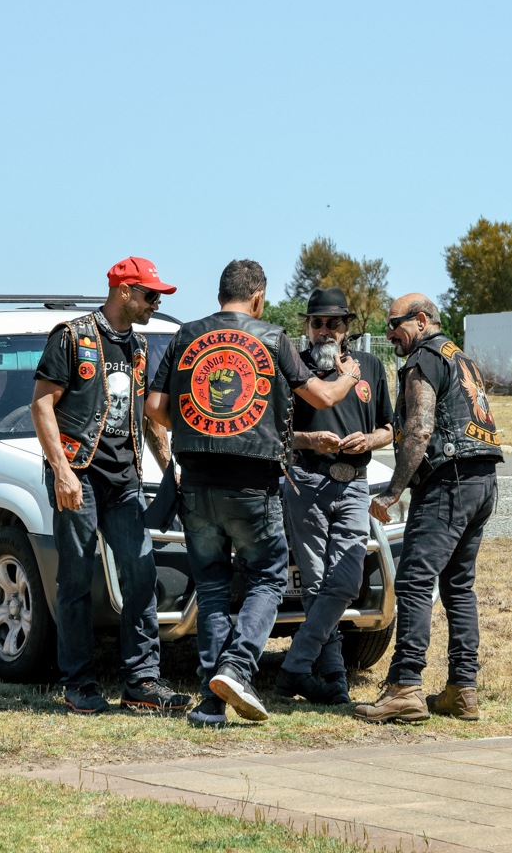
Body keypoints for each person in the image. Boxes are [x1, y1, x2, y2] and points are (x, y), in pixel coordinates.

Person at [147, 259, 362, 728]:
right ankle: (237, 666)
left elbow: (156, 407)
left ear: (220, 293)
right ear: (258, 297)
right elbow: (323, 397)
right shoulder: (273, 338)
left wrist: (204, 422)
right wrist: (350, 374)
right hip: (251, 484)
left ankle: (211, 703)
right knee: (267, 577)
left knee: (211, 589)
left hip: (196, 481)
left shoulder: (185, 335)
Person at [31, 256, 192, 717]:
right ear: (124, 291)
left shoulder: (138, 346)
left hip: (125, 480)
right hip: (79, 475)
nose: (155, 303)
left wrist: (169, 465)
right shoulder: (72, 337)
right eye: (150, 295)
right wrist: (62, 471)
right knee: (76, 578)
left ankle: (142, 681)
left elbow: (145, 414)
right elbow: (42, 405)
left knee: (141, 576)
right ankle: (78, 683)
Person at [355, 295, 503, 724]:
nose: (389, 334)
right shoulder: (461, 357)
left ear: (421, 320)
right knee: (458, 586)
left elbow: (420, 428)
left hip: (448, 482)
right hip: (483, 481)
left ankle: (404, 687)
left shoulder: (424, 357)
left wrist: (392, 492)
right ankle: (462, 690)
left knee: (414, 581)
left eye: (394, 324)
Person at [275, 287, 393, 705]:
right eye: (317, 323)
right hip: (306, 482)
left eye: (333, 324)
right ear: (307, 328)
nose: (324, 330)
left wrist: (370, 440)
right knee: (316, 585)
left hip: (356, 483)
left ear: (347, 328)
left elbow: (389, 427)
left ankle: (294, 667)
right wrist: (310, 440)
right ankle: (335, 678)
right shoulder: (294, 367)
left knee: (344, 582)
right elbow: (276, 433)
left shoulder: (371, 367)